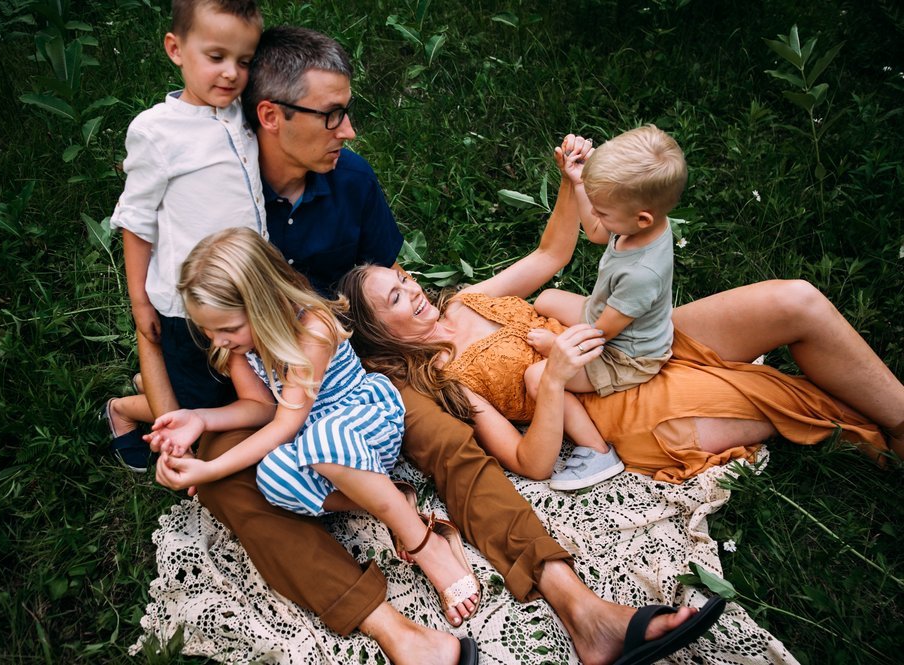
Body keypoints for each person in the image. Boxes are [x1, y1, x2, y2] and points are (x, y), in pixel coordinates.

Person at [140, 25, 728, 665]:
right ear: (272, 116)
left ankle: (579, 607)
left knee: (449, 441)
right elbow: (156, 305)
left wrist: (417, 356)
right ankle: (404, 637)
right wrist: (177, 408)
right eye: (333, 114)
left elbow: (385, 298)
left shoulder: (351, 181)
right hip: (255, 380)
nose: (350, 131)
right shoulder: (220, 189)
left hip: (352, 365)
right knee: (232, 492)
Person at [339, 159, 899, 488]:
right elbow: (527, 464)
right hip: (621, 407)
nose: (414, 288)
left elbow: (550, 255)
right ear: (380, 331)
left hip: (631, 344)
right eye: (396, 295)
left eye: (406, 278)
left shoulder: (465, 301)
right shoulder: (445, 379)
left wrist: (569, 182)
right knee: (789, 400)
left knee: (794, 299)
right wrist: (553, 379)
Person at [146, 228, 481, 629]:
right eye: (209, 330)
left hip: (365, 420)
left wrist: (210, 468)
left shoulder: (313, 328)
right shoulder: (236, 346)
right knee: (272, 477)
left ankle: (425, 544)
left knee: (321, 440)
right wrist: (200, 418)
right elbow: (261, 407)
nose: (217, 340)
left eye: (227, 329)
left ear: (262, 305)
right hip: (314, 440)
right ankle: (389, 497)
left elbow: (287, 423)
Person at [104, 0, 267, 472]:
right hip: (186, 306)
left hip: (243, 291)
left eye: (244, 60)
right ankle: (123, 410)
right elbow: (137, 219)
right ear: (175, 49)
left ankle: (156, 386)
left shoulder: (241, 114)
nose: (232, 73)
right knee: (196, 401)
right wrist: (139, 301)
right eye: (215, 57)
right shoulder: (158, 131)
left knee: (242, 387)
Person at [525, 125, 686, 490]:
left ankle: (596, 451)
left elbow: (603, 334)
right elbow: (598, 233)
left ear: (641, 218)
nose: (599, 218)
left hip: (625, 354)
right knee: (547, 299)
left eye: (604, 211)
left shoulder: (642, 273)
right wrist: (579, 183)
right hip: (607, 314)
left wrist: (556, 348)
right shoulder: (637, 223)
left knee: (538, 378)